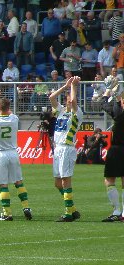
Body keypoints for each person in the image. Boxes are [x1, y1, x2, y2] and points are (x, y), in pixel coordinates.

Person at [0, 90, 32, 221]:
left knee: (3, 185)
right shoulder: (14, 119)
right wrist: (1, 104)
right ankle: (26, 207)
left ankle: (7, 213)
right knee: (19, 182)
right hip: (13, 153)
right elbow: (8, 112)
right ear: (9, 108)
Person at [48, 76, 82, 222]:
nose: (68, 99)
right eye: (67, 97)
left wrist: (74, 86)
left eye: (69, 97)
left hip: (67, 149)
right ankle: (73, 209)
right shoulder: (61, 111)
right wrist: (65, 86)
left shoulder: (77, 113)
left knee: (65, 181)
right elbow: (51, 97)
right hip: (58, 149)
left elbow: (74, 102)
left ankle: (68, 212)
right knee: (57, 183)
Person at [99, 77, 124, 221]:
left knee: (109, 180)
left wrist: (108, 90)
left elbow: (103, 104)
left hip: (116, 149)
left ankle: (116, 211)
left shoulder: (119, 113)